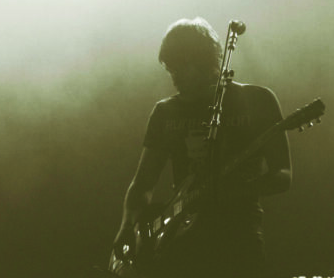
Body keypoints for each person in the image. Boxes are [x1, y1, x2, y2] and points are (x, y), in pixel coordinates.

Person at [112, 17, 291, 278]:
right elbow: (143, 184)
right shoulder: (165, 112)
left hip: (240, 239)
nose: (174, 77)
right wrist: (127, 225)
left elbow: (283, 174)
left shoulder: (257, 100)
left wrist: (235, 190)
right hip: (180, 245)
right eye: (170, 69)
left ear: (203, 60)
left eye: (180, 67)